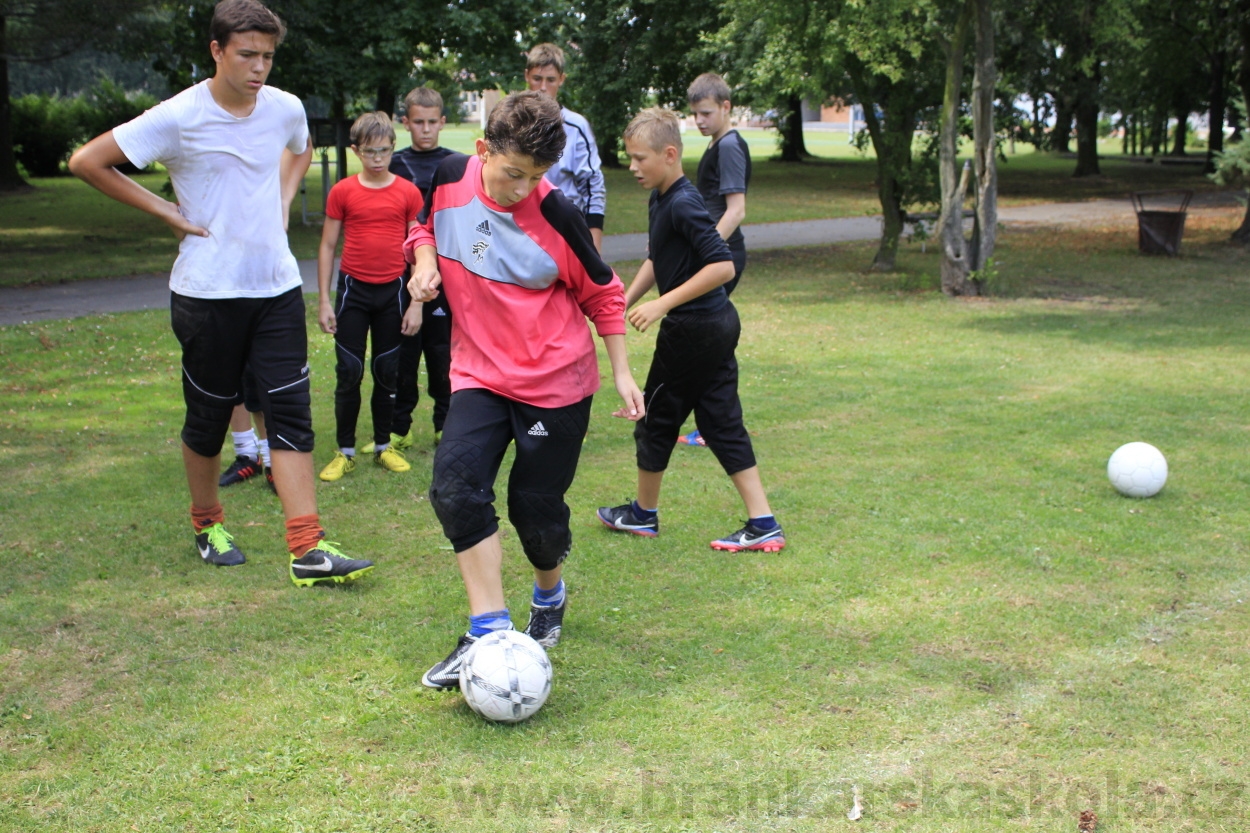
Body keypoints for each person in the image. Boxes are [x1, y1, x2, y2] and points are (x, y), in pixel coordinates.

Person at [69, 0, 374, 586]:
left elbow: (300, 144)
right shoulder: (181, 114)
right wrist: (167, 212)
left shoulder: (283, 106)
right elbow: (88, 161)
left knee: (290, 415)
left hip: (277, 287)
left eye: (267, 55)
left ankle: (307, 548)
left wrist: (283, 198)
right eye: (246, 55)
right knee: (208, 421)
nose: (259, 67)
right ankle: (208, 523)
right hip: (206, 294)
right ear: (216, 51)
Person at [404, 91, 645, 690]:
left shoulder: (557, 215)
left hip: (554, 385)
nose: (521, 188)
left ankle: (549, 593)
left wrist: (619, 370)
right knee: (455, 488)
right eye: (513, 173)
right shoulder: (448, 174)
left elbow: (603, 292)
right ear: (484, 149)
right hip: (479, 375)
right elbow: (423, 225)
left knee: (533, 513)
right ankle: (487, 630)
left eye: (536, 177)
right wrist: (424, 262)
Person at [596, 107, 785, 553]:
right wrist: (627, 299)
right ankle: (764, 523)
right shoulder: (661, 197)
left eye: (640, 158)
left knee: (656, 419)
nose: (632, 167)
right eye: (629, 157)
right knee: (720, 422)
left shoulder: (683, 201)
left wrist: (662, 303)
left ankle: (643, 515)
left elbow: (721, 266)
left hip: (696, 329)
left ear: (670, 154)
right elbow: (658, 258)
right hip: (713, 325)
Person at [316, 111, 423, 481]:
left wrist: (417, 303)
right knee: (349, 371)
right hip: (353, 292)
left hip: (392, 292)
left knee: (386, 371)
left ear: (393, 148)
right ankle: (344, 450)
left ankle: (382, 446)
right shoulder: (342, 191)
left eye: (384, 151)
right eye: (369, 152)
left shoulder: (408, 192)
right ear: (356, 151)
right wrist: (325, 301)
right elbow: (328, 246)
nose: (377, 159)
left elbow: (419, 250)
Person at [360, 86, 459, 455]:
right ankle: (399, 428)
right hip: (397, 275)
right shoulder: (394, 164)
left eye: (433, 122)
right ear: (406, 123)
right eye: (418, 122)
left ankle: (445, 425)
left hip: (446, 274)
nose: (426, 129)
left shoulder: (456, 164)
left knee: (441, 352)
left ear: (443, 122)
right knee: (403, 352)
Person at [680, 72, 752, 448]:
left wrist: (707, 251)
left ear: (726, 107)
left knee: (711, 340)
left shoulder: (728, 147)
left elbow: (735, 210)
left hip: (724, 255)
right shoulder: (717, 145)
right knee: (712, 339)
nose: (700, 121)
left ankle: (718, 425)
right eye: (695, 114)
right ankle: (715, 424)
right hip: (717, 254)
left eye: (706, 112)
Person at [524, 43, 607, 253]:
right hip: (521, 230)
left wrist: (593, 245)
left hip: (565, 232)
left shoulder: (576, 127)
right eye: (537, 79)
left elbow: (592, 186)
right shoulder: (512, 123)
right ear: (527, 76)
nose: (543, 87)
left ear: (561, 79)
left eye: (550, 80)